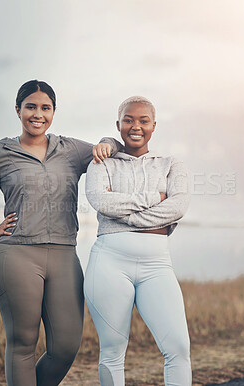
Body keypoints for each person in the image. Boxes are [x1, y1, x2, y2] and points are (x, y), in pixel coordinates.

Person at [0, 80, 122, 386]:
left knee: (66, 346)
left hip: (64, 256)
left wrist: (108, 140)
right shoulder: (1, 153)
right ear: (18, 110)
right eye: (30, 107)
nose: (37, 114)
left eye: (45, 108)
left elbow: (112, 148)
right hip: (16, 255)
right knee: (22, 344)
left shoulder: (70, 150)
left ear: (54, 112)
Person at [84, 96, 192, 385]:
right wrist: (154, 201)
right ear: (118, 124)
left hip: (157, 266)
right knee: (112, 351)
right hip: (108, 263)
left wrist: (128, 219)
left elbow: (178, 206)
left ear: (154, 126)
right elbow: (101, 202)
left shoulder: (171, 165)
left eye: (143, 120)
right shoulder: (101, 162)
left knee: (178, 348)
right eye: (129, 119)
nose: (136, 126)